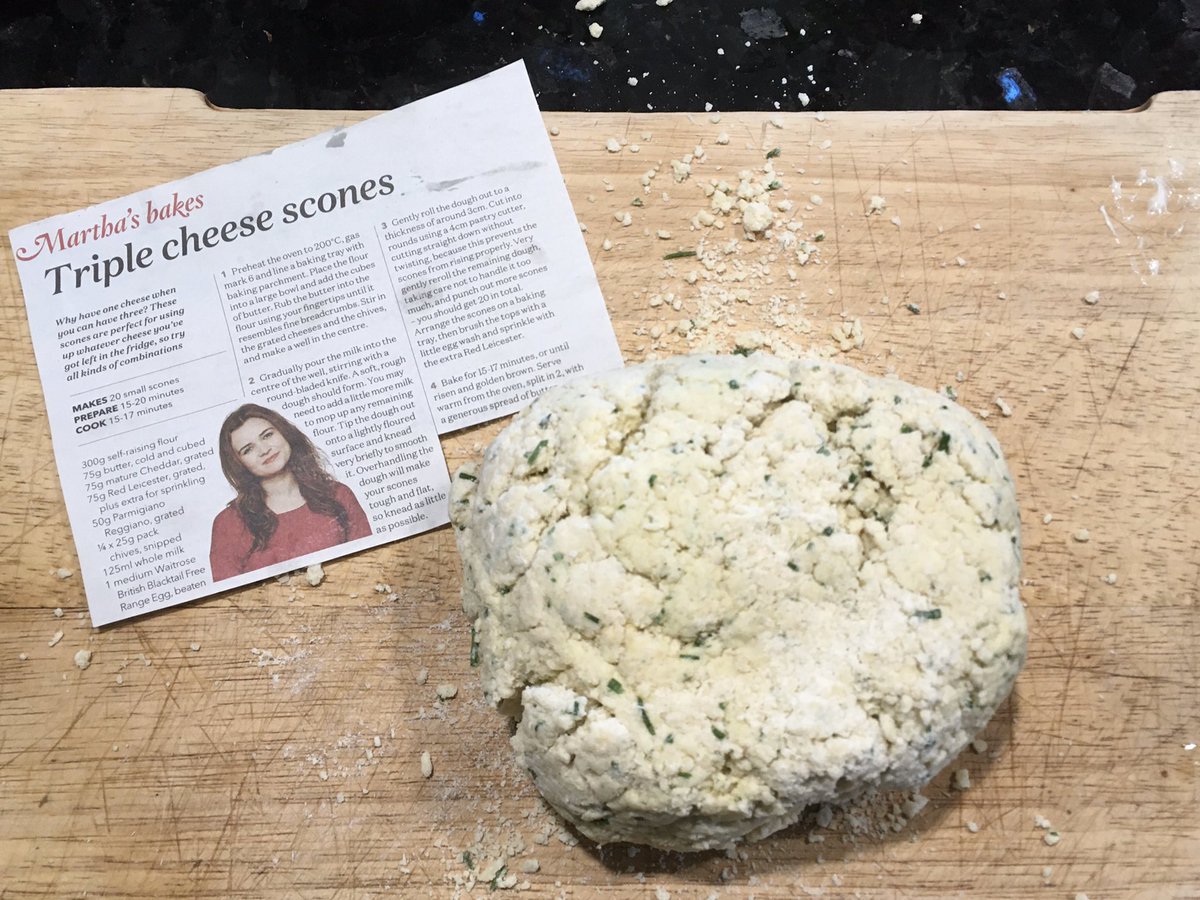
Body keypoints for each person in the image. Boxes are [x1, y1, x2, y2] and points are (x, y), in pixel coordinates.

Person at [209, 403, 371, 581]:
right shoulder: (228, 524)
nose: (264, 450)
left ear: (284, 433)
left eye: (268, 435)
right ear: (238, 464)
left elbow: (368, 566)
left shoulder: (338, 495)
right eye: (248, 449)